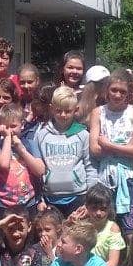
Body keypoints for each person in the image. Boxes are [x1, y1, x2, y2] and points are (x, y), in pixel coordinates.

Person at [90, 68, 133, 238]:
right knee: (103, 229)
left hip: (128, 178)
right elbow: (95, 149)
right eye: (114, 90)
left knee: (131, 231)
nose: (117, 95)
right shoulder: (98, 113)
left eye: (122, 91)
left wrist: (108, 145)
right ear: (107, 90)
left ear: (128, 93)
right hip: (105, 179)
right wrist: (127, 146)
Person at [36, 86, 97, 217]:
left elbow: (90, 167)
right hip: (50, 197)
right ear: (52, 108)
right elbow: (37, 169)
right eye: (59, 110)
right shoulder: (42, 134)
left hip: (78, 196)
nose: (63, 115)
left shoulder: (83, 134)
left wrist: (89, 199)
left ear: (76, 110)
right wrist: (39, 197)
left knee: (76, 229)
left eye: (68, 111)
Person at [0, 103, 45, 221]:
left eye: (13, 126)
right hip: (1, 204)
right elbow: (3, 165)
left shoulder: (30, 144)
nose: (10, 130)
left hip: (27, 203)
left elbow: (40, 171)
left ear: (22, 125)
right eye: (6, 127)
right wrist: (7, 138)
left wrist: (21, 150)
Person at [83, 184, 126, 266]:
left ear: (109, 208)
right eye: (94, 208)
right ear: (87, 207)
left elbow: (112, 264)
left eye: (103, 209)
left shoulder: (112, 228)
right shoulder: (82, 226)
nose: (98, 213)